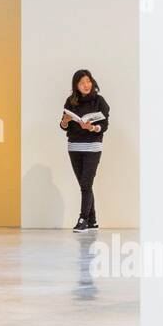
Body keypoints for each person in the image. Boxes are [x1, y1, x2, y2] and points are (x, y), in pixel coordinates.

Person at [59, 69, 110, 233]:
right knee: (84, 184)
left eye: (88, 81)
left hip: (93, 147)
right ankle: (93, 220)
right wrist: (65, 121)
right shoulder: (70, 101)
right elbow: (63, 126)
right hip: (74, 147)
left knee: (86, 184)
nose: (86, 85)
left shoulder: (99, 101)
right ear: (76, 86)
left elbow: (105, 126)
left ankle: (83, 219)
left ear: (92, 81)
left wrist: (93, 127)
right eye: (81, 83)